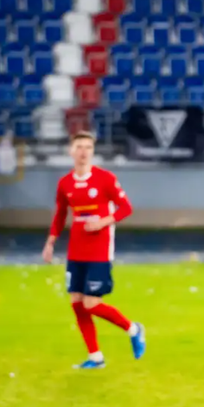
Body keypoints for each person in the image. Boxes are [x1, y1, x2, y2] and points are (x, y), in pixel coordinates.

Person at [42, 131, 145, 369]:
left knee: (91, 303)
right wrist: (50, 241)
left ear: (92, 151)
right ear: (71, 151)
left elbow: (125, 208)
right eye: (79, 146)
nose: (84, 151)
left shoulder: (105, 179)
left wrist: (103, 221)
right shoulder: (65, 183)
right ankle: (95, 357)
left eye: (88, 147)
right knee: (77, 303)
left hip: (99, 248)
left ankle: (133, 329)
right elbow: (60, 214)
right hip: (76, 248)